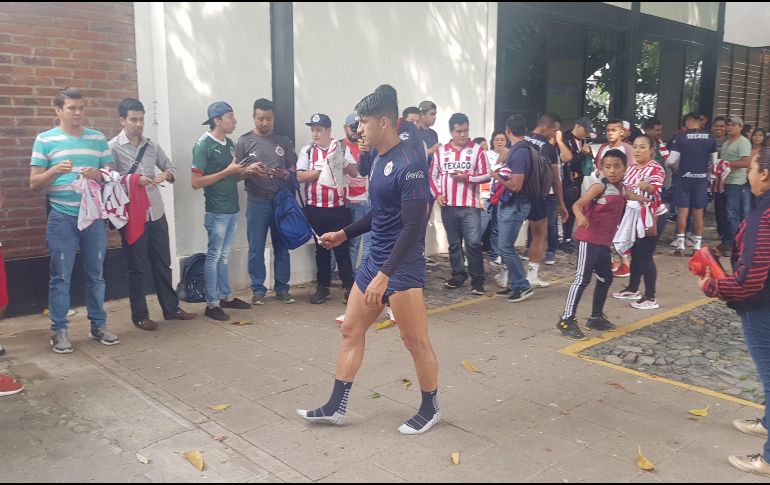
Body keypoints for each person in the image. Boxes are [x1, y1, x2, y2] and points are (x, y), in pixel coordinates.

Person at [297, 91, 440, 435]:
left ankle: (430, 408)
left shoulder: (410, 166)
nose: (358, 129)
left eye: (363, 122)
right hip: (376, 257)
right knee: (351, 329)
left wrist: (385, 276)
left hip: (402, 266)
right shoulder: (377, 156)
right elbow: (381, 212)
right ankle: (336, 406)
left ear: (384, 122)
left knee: (414, 342)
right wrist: (345, 233)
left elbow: (413, 227)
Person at [29, 87, 120, 353]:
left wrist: (99, 175)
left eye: (81, 107)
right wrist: (55, 170)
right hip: (62, 216)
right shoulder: (45, 140)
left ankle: (98, 325)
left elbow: (111, 175)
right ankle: (58, 330)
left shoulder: (97, 138)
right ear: (58, 110)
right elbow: (34, 183)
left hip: (93, 217)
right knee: (60, 277)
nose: (78, 112)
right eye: (72, 108)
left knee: (97, 274)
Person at [700, 147, 770, 478]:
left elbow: (751, 280)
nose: (751, 174)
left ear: (765, 175)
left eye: (754, 167)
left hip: (762, 308)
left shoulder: (763, 217)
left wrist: (713, 286)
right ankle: (766, 423)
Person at [109, 98, 197, 330]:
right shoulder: (113, 147)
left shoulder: (151, 146)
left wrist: (165, 175)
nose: (139, 124)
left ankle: (171, 308)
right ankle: (140, 315)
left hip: (155, 211)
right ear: (122, 120)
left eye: (141, 119)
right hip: (131, 215)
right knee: (136, 266)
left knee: (162, 262)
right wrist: (134, 180)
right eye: (133, 119)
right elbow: (110, 180)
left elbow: (171, 167)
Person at [557, 149, 646, 340]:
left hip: (603, 243)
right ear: (602, 168)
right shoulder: (599, 187)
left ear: (624, 169)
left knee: (606, 277)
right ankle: (566, 320)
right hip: (588, 239)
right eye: (607, 167)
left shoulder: (622, 188)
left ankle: (596, 317)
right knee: (582, 279)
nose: (612, 170)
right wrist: (580, 216)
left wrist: (645, 198)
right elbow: (577, 205)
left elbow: (630, 196)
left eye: (616, 166)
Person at [191, 101, 252, 321]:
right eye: (230, 117)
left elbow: (232, 175)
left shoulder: (229, 143)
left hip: (232, 208)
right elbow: (196, 182)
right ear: (217, 121)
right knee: (214, 256)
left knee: (224, 256)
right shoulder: (203, 145)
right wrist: (228, 171)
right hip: (216, 211)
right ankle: (211, 304)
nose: (235, 121)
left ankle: (226, 297)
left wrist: (245, 172)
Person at [235, 98, 298, 306]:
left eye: (268, 119)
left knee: (282, 246)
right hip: (256, 202)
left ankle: (282, 288)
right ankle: (258, 290)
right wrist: (248, 171)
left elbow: (294, 168)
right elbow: (234, 174)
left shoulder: (284, 142)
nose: (265, 123)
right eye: (260, 118)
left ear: (274, 119)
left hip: (280, 202)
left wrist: (286, 173)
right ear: (253, 118)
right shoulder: (243, 142)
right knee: (256, 247)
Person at [296, 113, 359, 304]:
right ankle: (323, 287)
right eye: (313, 130)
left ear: (329, 130)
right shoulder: (307, 151)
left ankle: (349, 287)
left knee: (342, 249)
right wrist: (324, 170)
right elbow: (300, 176)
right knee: (322, 249)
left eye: (319, 130)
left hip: (338, 207)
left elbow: (355, 172)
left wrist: (341, 162)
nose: (315, 134)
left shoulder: (341, 148)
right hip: (315, 208)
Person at [430, 113, 490, 294]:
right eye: (458, 131)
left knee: (473, 244)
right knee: (454, 244)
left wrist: (468, 178)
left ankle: (477, 280)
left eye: (465, 130)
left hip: (469, 205)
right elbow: (432, 176)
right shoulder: (441, 152)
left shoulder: (477, 150)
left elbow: (487, 174)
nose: (462, 135)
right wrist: (437, 195)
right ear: (451, 131)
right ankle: (458, 275)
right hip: (448, 205)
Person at [612, 134, 667, 310]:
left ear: (652, 150)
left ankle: (650, 297)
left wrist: (647, 187)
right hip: (633, 216)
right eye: (635, 146)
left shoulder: (656, 168)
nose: (637, 150)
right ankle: (633, 288)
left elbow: (656, 188)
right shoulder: (631, 168)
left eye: (642, 147)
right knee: (635, 252)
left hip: (652, 217)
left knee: (645, 256)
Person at [491, 114, 534, 302]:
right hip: (514, 204)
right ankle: (515, 284)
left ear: (508, 131)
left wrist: (497, 177)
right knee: (505, 246)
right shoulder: (522, 150)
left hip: (515, 204)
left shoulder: (519, 153)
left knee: (505, 247)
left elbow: (516, 185)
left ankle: (522, 285)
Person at [524, 114, 569, 287]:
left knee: (507, 236)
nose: (555, 134)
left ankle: (507, 273)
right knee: (539, 234)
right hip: (539, 196)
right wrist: (562, 204)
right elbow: (555, 179)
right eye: (554, 130)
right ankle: (532, 275)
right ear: (545, 127)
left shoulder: (522, 137)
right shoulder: (548, 149)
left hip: (516, 193)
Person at [665, 112, 718, 256]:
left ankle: (680, 246)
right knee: (699, 214)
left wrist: (672, 165)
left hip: (684, 178)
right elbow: (715, 162)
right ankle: (697, 247)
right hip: (701, 180)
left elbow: (671, 160)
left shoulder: (680, 137)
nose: (686, 123)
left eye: (687, 120)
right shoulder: (710, 137)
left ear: (691, 120)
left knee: (683, 212)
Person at [593, 118, 635, 277]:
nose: (610, 133)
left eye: (614, 130)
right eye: (608, 130)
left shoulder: (628, 149)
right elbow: (598, 167)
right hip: (604, 193)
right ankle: (609, 260)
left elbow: (631, 171)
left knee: (618, 228)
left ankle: (625, 262)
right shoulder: (603, 148)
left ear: (622, 132)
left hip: (620, 194)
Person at [558, 117, 596, 253]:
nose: (586, 134)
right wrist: (582, 153)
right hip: (566, 180)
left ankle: (568, 237)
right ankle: (563, 238)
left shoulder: (583, 140)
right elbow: (569, 160)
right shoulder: (566, 138)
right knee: (566, 209)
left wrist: (588, 153)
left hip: (578, 180)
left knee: (574, 208)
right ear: (577, 126)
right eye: (585, 130)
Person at [343, 113, 371, 269]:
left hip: (362, 200)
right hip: (344, 200)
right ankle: (336, 275)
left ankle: (352, 275)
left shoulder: (368, 146)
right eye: (352, 127)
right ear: (344, 127)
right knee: (339, 241)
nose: (355, 131)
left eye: (357, 126)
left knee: (355, 243)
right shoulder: (339, 146)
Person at [722, 116, 754, 251]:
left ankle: (738, 244)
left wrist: (727, 164)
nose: (730, 127)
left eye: (734, 125)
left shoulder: (743, 142)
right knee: (726, 214)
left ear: (740, 127)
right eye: (728, 125)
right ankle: (729, 241)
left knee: (732, 214)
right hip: (725, 181)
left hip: (737, 182)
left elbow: (746, 162)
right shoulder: (726, 143)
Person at [712, 116, 731, 254]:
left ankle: (726, 238)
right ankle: (721, 233)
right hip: (712, 181)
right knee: (718, 209)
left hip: (726, 181)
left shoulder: (728, 142)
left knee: (726, 211)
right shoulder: (710, 141)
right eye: (717, 126)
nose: (719, 129)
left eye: (721, 126)